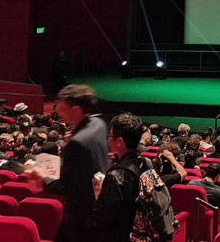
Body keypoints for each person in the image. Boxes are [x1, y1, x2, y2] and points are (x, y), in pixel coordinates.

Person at [31, 84, 109, 242]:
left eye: (61, 106)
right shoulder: (98, 124)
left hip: (81, 215)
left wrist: (41, 178)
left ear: (75, 108)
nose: (56, 110)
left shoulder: (78, 142)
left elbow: (66, 185)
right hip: (98, 207)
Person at [93, 112, 149, 242]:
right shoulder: (146, 163)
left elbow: (102, 218)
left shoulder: (116, 175)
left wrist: (98, 193)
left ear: (119, 141)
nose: (108, 140)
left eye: (109, 136)